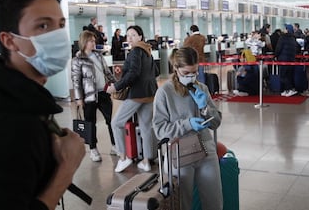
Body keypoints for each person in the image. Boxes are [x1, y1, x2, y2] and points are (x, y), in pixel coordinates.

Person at [0, 0, 85, 210]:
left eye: (60, 24)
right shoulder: (13, 125)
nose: (58, 35)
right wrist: (67, 169)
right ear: (9, 40)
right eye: (43, 26)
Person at [152, 46, 223, 210]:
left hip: (205, 148)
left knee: (214, 201)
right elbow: (160, 130)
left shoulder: (202, 88)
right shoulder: (165, 93)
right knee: (182, 203)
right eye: (186, 73)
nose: (191, 77)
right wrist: (187, 124)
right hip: (179, 152)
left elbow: (216, 122)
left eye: (194, 72)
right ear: (175, 68)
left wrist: (205, 107)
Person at [106, 25, 158, 172]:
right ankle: (146, 161)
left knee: (116, 123)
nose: (129, 38)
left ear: (140, 36)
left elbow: (133, 74)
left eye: (133, 35)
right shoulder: (148, 51)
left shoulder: (135, 51)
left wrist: (116, 87)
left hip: (137, 95)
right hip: (150, 93)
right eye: (127, 35)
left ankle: (123, 158)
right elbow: (156, 71)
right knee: (146, 127)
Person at [71, 30, 117, 161]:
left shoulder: (99, 56)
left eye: (94, 40)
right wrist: (79, 98)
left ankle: (114, 145)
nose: (94, 42)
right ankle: (93, 149)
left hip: (103, 93)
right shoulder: (77, 60)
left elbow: (107, 72)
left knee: (111, 121)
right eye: (91, 40)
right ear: (84, 42)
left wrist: (117, 84)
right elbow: (76, 81)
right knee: (91, 123)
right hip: (89, 96)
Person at [276, 24, 299, 97]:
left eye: (285, 28)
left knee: (283, 76)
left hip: (283, 59)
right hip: (291, 60)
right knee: (289, 75)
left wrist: (275, 55)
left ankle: (289, 89)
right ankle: (287, 90)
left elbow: (278, 48)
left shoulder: (282, 37)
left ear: (287, 30)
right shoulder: (293, 38)